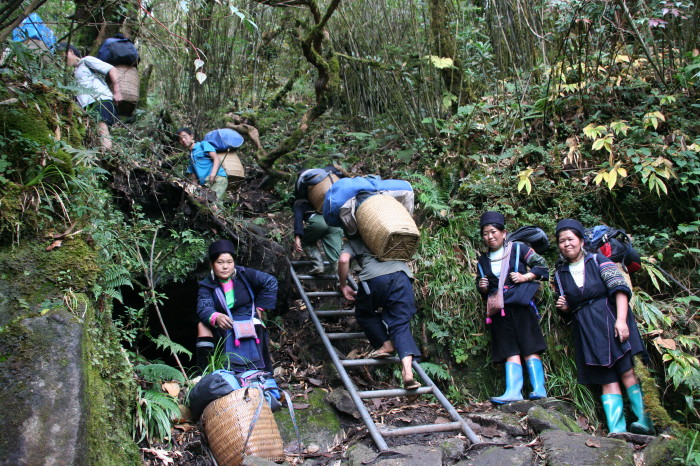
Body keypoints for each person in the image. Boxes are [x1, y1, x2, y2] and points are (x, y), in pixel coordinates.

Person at [554, 219, 654, 435]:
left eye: (570, 239)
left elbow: (619, 289)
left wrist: (621, 320)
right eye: (562, 241)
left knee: (627, 371)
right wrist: (565, 307)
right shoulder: (560, 273)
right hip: (587, 327)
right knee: (605, 377)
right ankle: (617, 429)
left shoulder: (599, 260)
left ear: (581, 240)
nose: (566, 244)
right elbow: (568, 307)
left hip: (611, 319)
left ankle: (645, 421)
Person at [476, 211, 549, 404]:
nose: (490, 237)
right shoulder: (483, 260)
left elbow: (542, 267)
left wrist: (526, 277)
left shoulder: (519, 249)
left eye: (493, 232)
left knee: (529, 345)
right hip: (499, 309)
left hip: (521, 304)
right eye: (485, 233)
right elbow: (483, 286)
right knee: (509, 348)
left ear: (504, 232)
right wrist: (482, 287)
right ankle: (513, 391)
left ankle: (538, 388)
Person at [337, 236, 422, 393]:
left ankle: (385, 344)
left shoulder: (357, 239)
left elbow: (343, 260)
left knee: (364, 313)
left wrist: (343, 285)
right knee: (400, 323)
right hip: (402, 277)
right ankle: (408, 372)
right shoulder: (389, 233)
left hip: (374, 280)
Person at [195, 239, 277, 374]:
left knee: (256, 323)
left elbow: (270, 282)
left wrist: (261, 306)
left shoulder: (245, 274)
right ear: (212, 264)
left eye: (229, 262)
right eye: (220, 262)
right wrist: (217, 316)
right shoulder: (207, 285)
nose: (225, 267)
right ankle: (205, 373)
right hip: (224, 323)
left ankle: (260, 372)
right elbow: (204, 307)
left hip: (247, 319)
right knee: (202, 326)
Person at [57, 43, 122, 151]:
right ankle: (106, 156)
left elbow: (112, 69)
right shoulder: (74, 73)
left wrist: (117, 92)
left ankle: (106, 156)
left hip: (100, 100)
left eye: (63, 56)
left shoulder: (86, 61)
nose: (62, 60)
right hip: (89, 107)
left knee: (102, 132)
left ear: (70, 52)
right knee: (98, 135)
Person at [293, 168, 344, 274]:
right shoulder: (324, 200)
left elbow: (298, 219)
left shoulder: (300, 202)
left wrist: (298, 238)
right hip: (334, 223)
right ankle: (342, 281)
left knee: (306, 241)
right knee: (335, 255)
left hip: (318, 223)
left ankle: (318, 266)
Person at [177, 127, 228, 201]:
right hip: (205, 184)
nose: (183, 140)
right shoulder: (190, 156)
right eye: (180, 139)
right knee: (204, 203)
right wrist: (195, 187)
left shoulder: (203, 145)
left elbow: (216, 158)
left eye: (185, 136)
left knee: (212, 202)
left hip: (217, 178)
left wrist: (213, 174)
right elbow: (193, 175)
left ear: (191, 136)